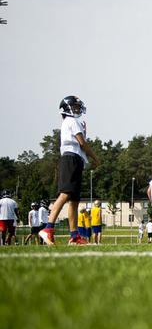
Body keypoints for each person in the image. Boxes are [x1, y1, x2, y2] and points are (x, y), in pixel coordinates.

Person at [40, 96, 100, 246]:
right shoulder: (72, 121)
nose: (77, 108)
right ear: (66, 108)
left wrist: (85, 161)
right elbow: (82, 143)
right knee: (65, 193)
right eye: (74, 106)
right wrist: (96, 159)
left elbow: (80, 147)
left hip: (75, 159)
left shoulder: (72, 122)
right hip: (70, 159)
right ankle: (48, 228)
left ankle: (74, 236)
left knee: (74, 200)